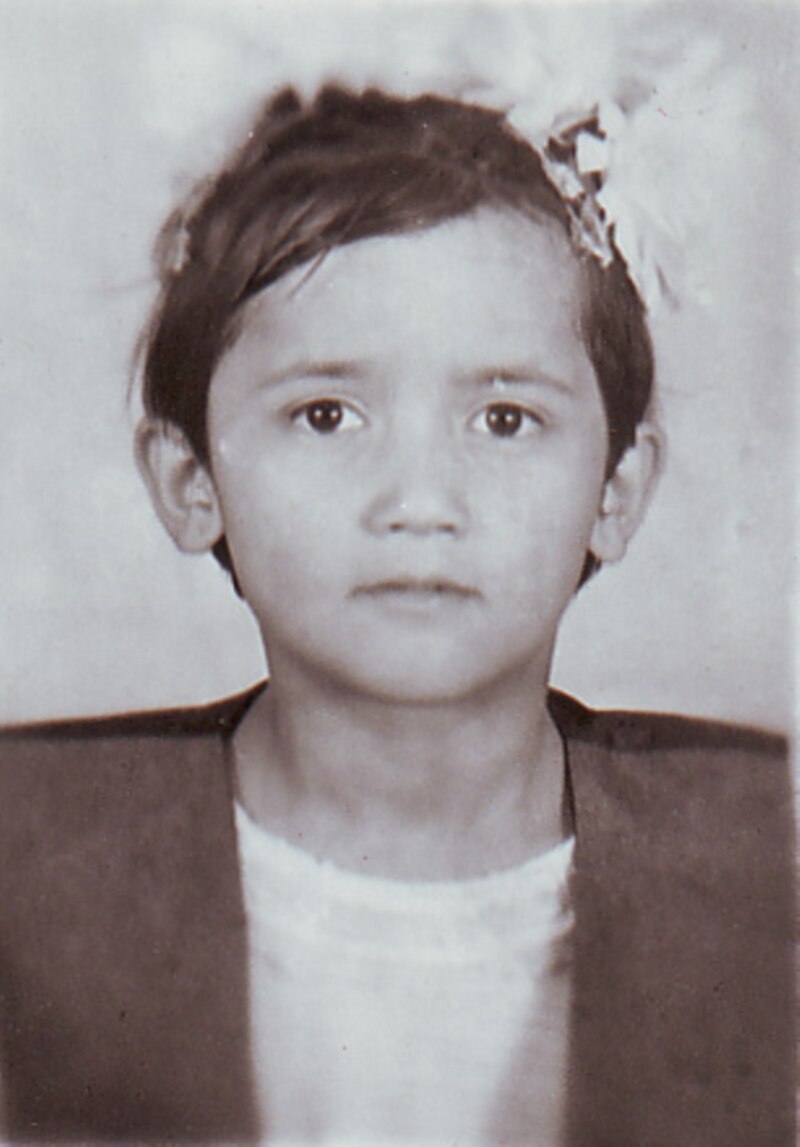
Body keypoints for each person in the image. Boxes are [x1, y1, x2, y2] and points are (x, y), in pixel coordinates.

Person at [0, 85, 793, 1146]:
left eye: (504, 419)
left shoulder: (763, 855)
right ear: (190, 480)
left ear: (616, 487)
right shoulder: (27, 861)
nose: (419, 502)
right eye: (326, 415)